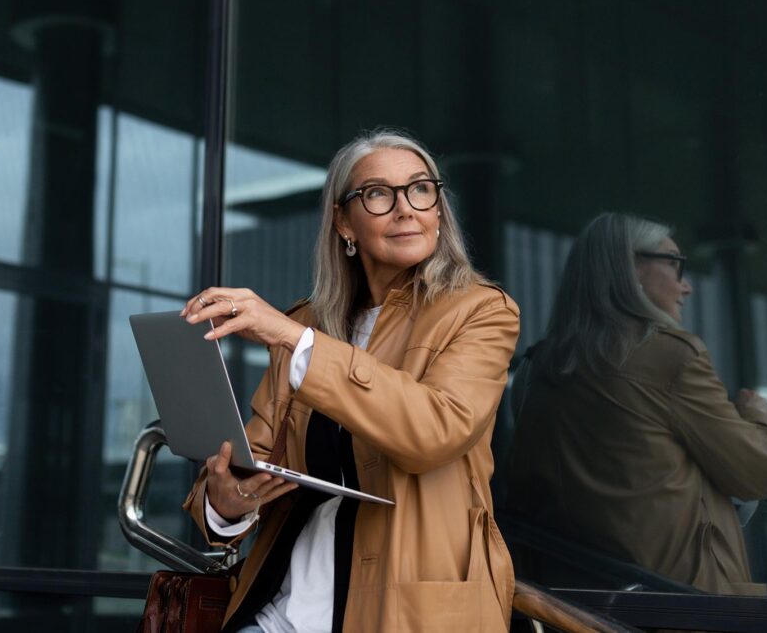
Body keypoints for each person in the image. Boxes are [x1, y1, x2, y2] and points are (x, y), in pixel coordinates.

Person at [178, 129, 520, 632]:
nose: (406, 208)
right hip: (282, 612)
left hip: (407, 616)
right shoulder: (307, 322)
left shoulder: (482, 312)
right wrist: (226, 502)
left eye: (420, 189)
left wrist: (296, 342)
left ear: (438, 209)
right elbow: (251, 462)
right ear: (344, 221)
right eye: (378, 194)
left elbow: (433, 431)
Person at [506, 213, 767, 595]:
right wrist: (757, 417)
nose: (685, 286)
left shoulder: (534, 370)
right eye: (674, 263)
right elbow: (760, 471)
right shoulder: (669, 356)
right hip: (680, 606)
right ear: (629, 267)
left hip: (572, 605)